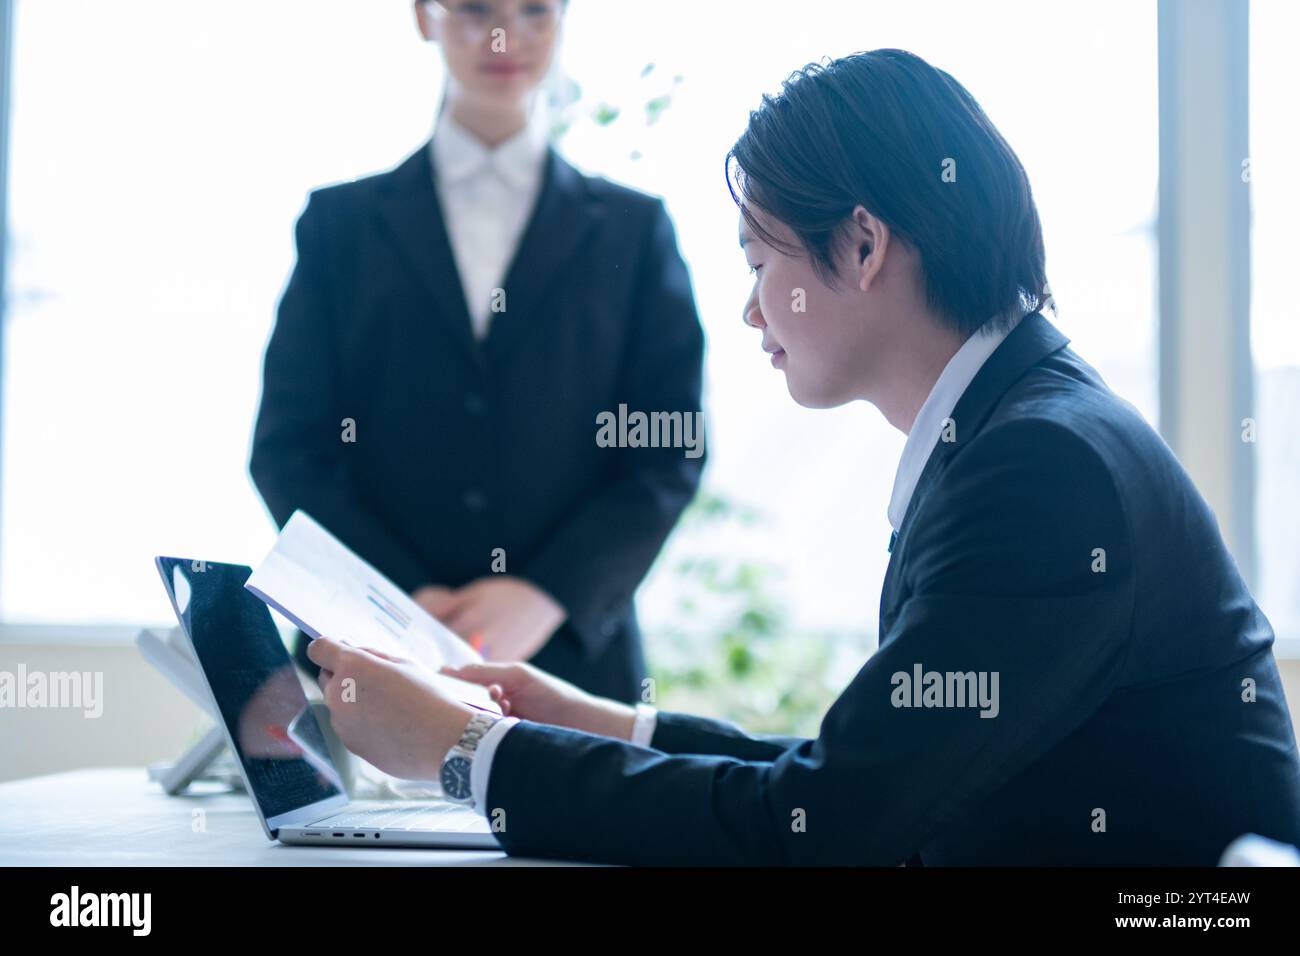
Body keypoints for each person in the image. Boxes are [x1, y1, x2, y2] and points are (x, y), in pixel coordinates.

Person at [305, 49, 1300, 865]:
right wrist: (599, 722)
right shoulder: (1020, 432)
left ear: (861, 246)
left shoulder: (1041, 470)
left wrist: (461, 746)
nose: (747, 308)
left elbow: (829, 824)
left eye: (757, 259)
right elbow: (863, 773)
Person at [250, 0, 706, 702]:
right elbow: (288, 448)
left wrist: (548, 593)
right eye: (474, 8)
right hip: (364, 662)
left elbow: (669, 447)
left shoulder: (633, 230)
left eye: (534, 10)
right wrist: (393, 598)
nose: (506, 36)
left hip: (574, 671)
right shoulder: (337, 226)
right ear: (422, 17)